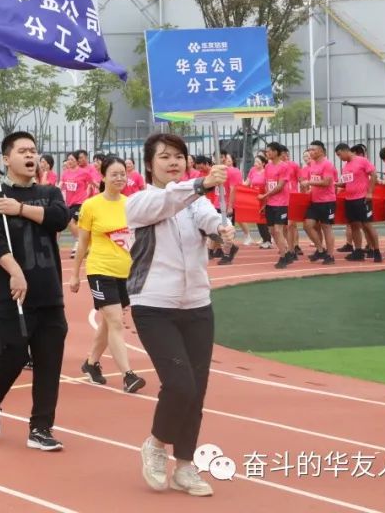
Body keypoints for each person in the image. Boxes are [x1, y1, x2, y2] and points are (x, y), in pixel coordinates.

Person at [127, 133, 232, 497]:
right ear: (149, 164)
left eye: (178, 156)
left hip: (197, 304)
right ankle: (156, 444)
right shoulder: (140, 202)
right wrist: (202, 182)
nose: (173, 162)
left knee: (196, 390)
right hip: (154, 305)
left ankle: (185, 467)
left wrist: (221, 229)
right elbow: (169, 201)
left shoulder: (195, 201)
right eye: (164, 156)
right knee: (180, 384)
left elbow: (206, 216)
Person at [0, 131, 70, 452]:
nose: (30, 155)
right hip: (13, 295)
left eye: (33, 150)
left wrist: (20, 209)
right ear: (6, 159)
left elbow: (60, 218)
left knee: (49, 361)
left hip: (49, 292)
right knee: (14, 354)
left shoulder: (49, 192)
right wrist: (15, 272)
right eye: (22, 151)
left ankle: (40, 428)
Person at [69, 155, 145, 394]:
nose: (120, 178)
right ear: (103, 176)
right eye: (114, 174)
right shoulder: (91, 206)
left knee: (107, 322)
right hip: (100, 270)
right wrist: (75, 274)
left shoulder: (130, 204)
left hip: (125, 272)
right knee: (115, 321)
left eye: (123, 174)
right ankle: (128, 375)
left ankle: (91, 363)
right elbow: (82, 243)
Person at [334, 143, 381, 263]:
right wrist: (336, 184)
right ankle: (358, 251)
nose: (340, 158)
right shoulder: (346, 166)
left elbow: (373, 174)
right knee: (354, 225)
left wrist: (370, 192)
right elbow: (346, 183)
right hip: (350, 200)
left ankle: (376, 251)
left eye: (339, 155)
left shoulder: (362, 161)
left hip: (362, 198)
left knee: (367, 225)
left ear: (345, 150)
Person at [300, 141, 337, 265]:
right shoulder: (312, 164)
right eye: (309, 149)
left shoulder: (327, 164)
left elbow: (326, 182)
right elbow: (314, 182)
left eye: (313, 150)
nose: (310, 152)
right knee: (307, 225)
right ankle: (321, 250)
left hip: (327, 201)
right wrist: (309, 189)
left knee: (326, 227)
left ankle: (330, 255)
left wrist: (309, 182)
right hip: (315, 201)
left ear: (321, 151)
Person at [257, 143, 293, 269]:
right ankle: (286, 253)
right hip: (270, 204)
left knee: (278, 230)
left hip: (281, 203)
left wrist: (265, 195)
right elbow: (268, 184)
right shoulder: (267, 166)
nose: (267, 153)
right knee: (272, 231)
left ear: (276, 152)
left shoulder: (284, 166)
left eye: (269, 151)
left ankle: (283, 257)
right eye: (266, 151)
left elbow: (280, 186)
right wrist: (265, 203)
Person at [60, 150, 96, 259]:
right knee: (72, 223)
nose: (69, 161)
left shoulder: (84, 173)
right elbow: (60, 185)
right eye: (68, 159)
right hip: (70, 203)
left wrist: (103, 188)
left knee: (71, 222)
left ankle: (80, 242)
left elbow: (93, 183)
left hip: (81, 203)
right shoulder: (65, 173)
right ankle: (84, 243)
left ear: (77, 161)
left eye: (72, 159)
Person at [244, 154, 273, 249]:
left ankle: (268, 240)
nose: (255, 164)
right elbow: (247, 183)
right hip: (254, 198)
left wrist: (266, 199)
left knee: (263, 220)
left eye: (258, 162)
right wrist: (239, 185)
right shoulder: (252, 170)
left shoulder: (266, 172)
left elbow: (267, 186)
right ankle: (265, 239)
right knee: (257, 220)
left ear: (263, 163)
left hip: (263, 197)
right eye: (255, 162)